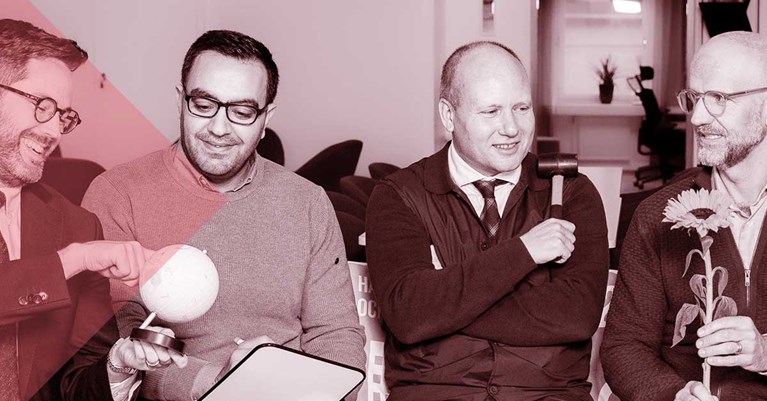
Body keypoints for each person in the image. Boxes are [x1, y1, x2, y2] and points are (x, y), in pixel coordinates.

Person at [77, 29, 366, 400]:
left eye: (242, 112)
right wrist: (222, 384)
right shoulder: (118, 193)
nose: (218, 127)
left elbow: (335, 332)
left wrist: (321, 393)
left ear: (266, 117)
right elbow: (120, 334)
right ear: (181, 100)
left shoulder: (307, 202)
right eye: (203, 105)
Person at [365, 41, 609, 401]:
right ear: (449, 116)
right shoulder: (399, 195)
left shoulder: (572, 192)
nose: (511, 128)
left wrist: (443, 300)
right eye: (491, 111)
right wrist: (525, 251)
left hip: (547, 396)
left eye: (521, 108)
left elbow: (577, 315)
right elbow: (409, 314)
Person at [0, 19, 185, 401]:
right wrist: (73, 260)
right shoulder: (80, 251)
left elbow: (76, 386)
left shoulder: (78, 227)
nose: (54, 132)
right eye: (42, 106)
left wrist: (117, 366)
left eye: (63, 115)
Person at [602, 31, 767, 401]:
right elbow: (623, 347)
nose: (697, 117)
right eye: (694, 98)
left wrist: (765, 354)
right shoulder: (655, 217)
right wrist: (673, 394)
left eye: (719, 98)